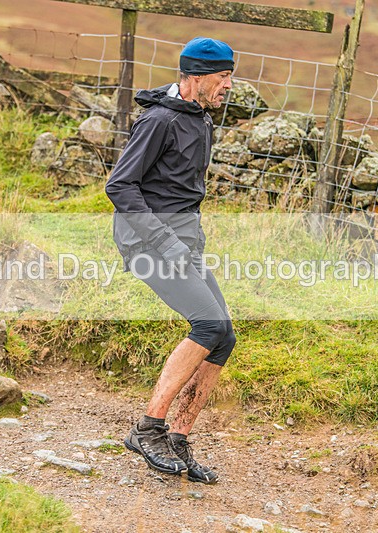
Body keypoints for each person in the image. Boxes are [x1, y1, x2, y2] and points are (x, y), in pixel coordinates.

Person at [105, 37, 236, 484]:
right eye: (223, 77)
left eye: (230, 76)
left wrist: (189, 241)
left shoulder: (200, 118)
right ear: (196, 76)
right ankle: (148, 429)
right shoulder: (159, 121)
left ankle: (177, 439)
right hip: (147, 244)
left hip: (181, 242)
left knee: (224, 336)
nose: (228, 85)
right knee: (209, 326)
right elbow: (120, 186)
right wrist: (167, 242)